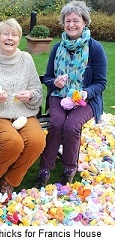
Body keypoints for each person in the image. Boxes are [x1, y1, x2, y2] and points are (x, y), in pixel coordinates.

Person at [34, 0, 107, 188]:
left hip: (86, 100)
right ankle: (45, 169)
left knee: (72, 126)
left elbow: (100, 83)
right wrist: (54, 82)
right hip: (59, 96)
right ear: (63, 23)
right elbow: (48, 77)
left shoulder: (95, 48)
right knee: (57, 123)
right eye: (68, 21)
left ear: (84, 22)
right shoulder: (58, 48)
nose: (71, 25)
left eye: (76, 20)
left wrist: (85, 92)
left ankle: (69, 168)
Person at [0, 18, 46, 197]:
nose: (10, 38)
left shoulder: (26, 59)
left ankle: (10, 181)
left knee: (37, 141)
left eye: (14, 35)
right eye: (6, 34)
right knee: (14, 143)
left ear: (19, 39)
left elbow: (37, 93)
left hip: (24, 115)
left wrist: (30, 95)